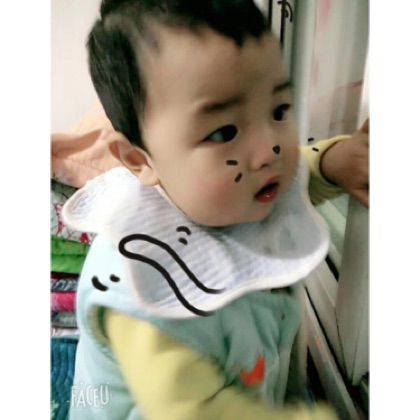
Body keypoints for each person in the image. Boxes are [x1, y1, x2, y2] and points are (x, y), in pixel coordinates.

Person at [63, 1, 369, 419]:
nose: (269, 150)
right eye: (224, 132)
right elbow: (198, 411)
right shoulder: (143, 291)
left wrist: (333, 164)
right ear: (139, 160)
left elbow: (292, 180)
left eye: (278, 110)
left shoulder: (233, 187)